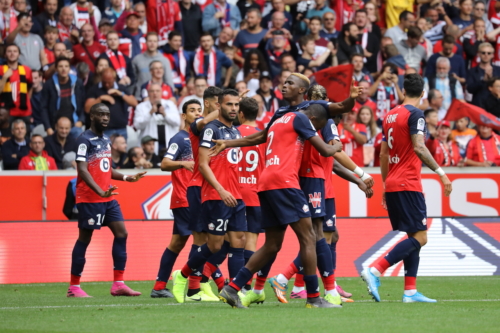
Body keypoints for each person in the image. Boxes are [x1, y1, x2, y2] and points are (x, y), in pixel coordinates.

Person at [218, 102, 343, 309]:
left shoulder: (279, 119)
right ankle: (313, 298)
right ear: (313, 121)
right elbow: (327, 150)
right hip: (285, 182)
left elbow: (259, 137)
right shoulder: (302, 119)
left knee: (272, 245)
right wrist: (337, 145)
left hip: (266, 182)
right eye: (318, 127)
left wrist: (229, 143)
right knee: (309, 237)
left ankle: (232, 288)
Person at [361, 73, 453, 303]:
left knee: (413, 235)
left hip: (393, 181)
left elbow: (383, 153)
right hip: (408, 183)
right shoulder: (416, 114)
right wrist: (442, 174)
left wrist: (385, 184)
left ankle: (410, 291)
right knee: (421, 237)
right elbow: (419, 148)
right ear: (423, 94)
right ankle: (375, 270)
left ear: (403, 91)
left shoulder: (389, 115)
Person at [171, 89, 249, 304]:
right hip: (216, 195)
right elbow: (203, 165)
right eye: (229, 104)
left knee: (238, 241)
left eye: (236, 105)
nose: (233, 108)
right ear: (218, 106)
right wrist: (221, 190)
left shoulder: (236, 132)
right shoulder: (210, 130)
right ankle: (183, 275)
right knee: (213, 246)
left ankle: (234, 288)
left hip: (236, 194)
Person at [68, 103, 146, 298]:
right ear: (92, 116)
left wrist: (128, 178)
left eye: (107, 115)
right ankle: (74, 287)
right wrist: (99, 191)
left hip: (107, 197)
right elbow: (83, 170)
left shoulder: (105, 140)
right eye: (101, 114)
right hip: (90, 198)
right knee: (85, 239)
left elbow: (106, 170)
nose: (105, 118)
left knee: (122, 233)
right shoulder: (84, 140)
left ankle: (118, 284)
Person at [151, 99, 202, 299]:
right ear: (183, 116)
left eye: (199, 110)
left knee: (177, 243)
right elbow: (164, 163)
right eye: (192, 110)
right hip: (185, 197)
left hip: (195, 198)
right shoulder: (180, 139)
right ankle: (194, 285)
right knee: (206, 241)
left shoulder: (199, 139)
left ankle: (160, 285)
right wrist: (183, 163)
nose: (197, 113)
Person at [182, 86, 227, 300]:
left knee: (223, 240)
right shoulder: (198, 125)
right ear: (210, 104)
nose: (224, 108)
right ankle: (193, 288)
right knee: (201, 241)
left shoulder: (219, 126)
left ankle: (204, 281)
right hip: (199, 186)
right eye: (221, 104)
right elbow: (202, 122)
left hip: (214, 186)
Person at [230, 97, 266, 302]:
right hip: (256, 193)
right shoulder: (264, 135)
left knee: (234, 242)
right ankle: (248, 285)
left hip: (234, 193)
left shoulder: (233, 134)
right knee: (252, 240)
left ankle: (233, 283)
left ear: (240, 113)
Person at [85, 68, 138, 139]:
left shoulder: (121, 88)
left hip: (121, 129)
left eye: (109, 82)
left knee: (121, 149)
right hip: (103, 130)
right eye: (104, 82)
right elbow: (87, 109)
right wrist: (100, 98)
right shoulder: (94, 89)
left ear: (114, 79)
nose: (107, 85)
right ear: (101, 78)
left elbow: (134, 103)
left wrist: (120, 94)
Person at [41, 57, 85, 138]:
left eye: (66, 66)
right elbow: (44, 108)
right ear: (56, 69)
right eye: (60, 66)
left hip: (74, 125)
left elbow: (83, 103)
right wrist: (48, 127)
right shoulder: (49, 84)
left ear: (69, 68)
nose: (63, 69)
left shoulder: (78, 83)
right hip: (54, 126)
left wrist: (81, 121)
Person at [134, 83, 181, 155]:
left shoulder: (170, 104)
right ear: (148, 93)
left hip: (168, 143)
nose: (155, 93)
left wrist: (165, 114)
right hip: (150, 146)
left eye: (157, 91)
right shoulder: (141, 106)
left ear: (161, 92)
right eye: (152, 91)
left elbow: (177, 122)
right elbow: (137, 125)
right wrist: (150, 113)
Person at [0, 44, 33, 131]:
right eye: (9, 51)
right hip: (7, 112)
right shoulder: (1, 69)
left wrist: (26, 100)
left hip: (24, 111)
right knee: (6, 138)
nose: (12, 54)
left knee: (26, 138)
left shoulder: (27, 70)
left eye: (15, 51)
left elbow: (30, 87)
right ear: (5, 54)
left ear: (19, 54)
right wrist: (4, 77)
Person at [467, 43, 500, 107]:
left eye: (489, 53)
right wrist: (483, 80)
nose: (486, 55)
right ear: (479, 54)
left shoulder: (498, 70)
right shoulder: (472, 71)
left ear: (492, 55)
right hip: (479, 106)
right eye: (483, 53)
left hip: (496, 107)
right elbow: (470, 89)